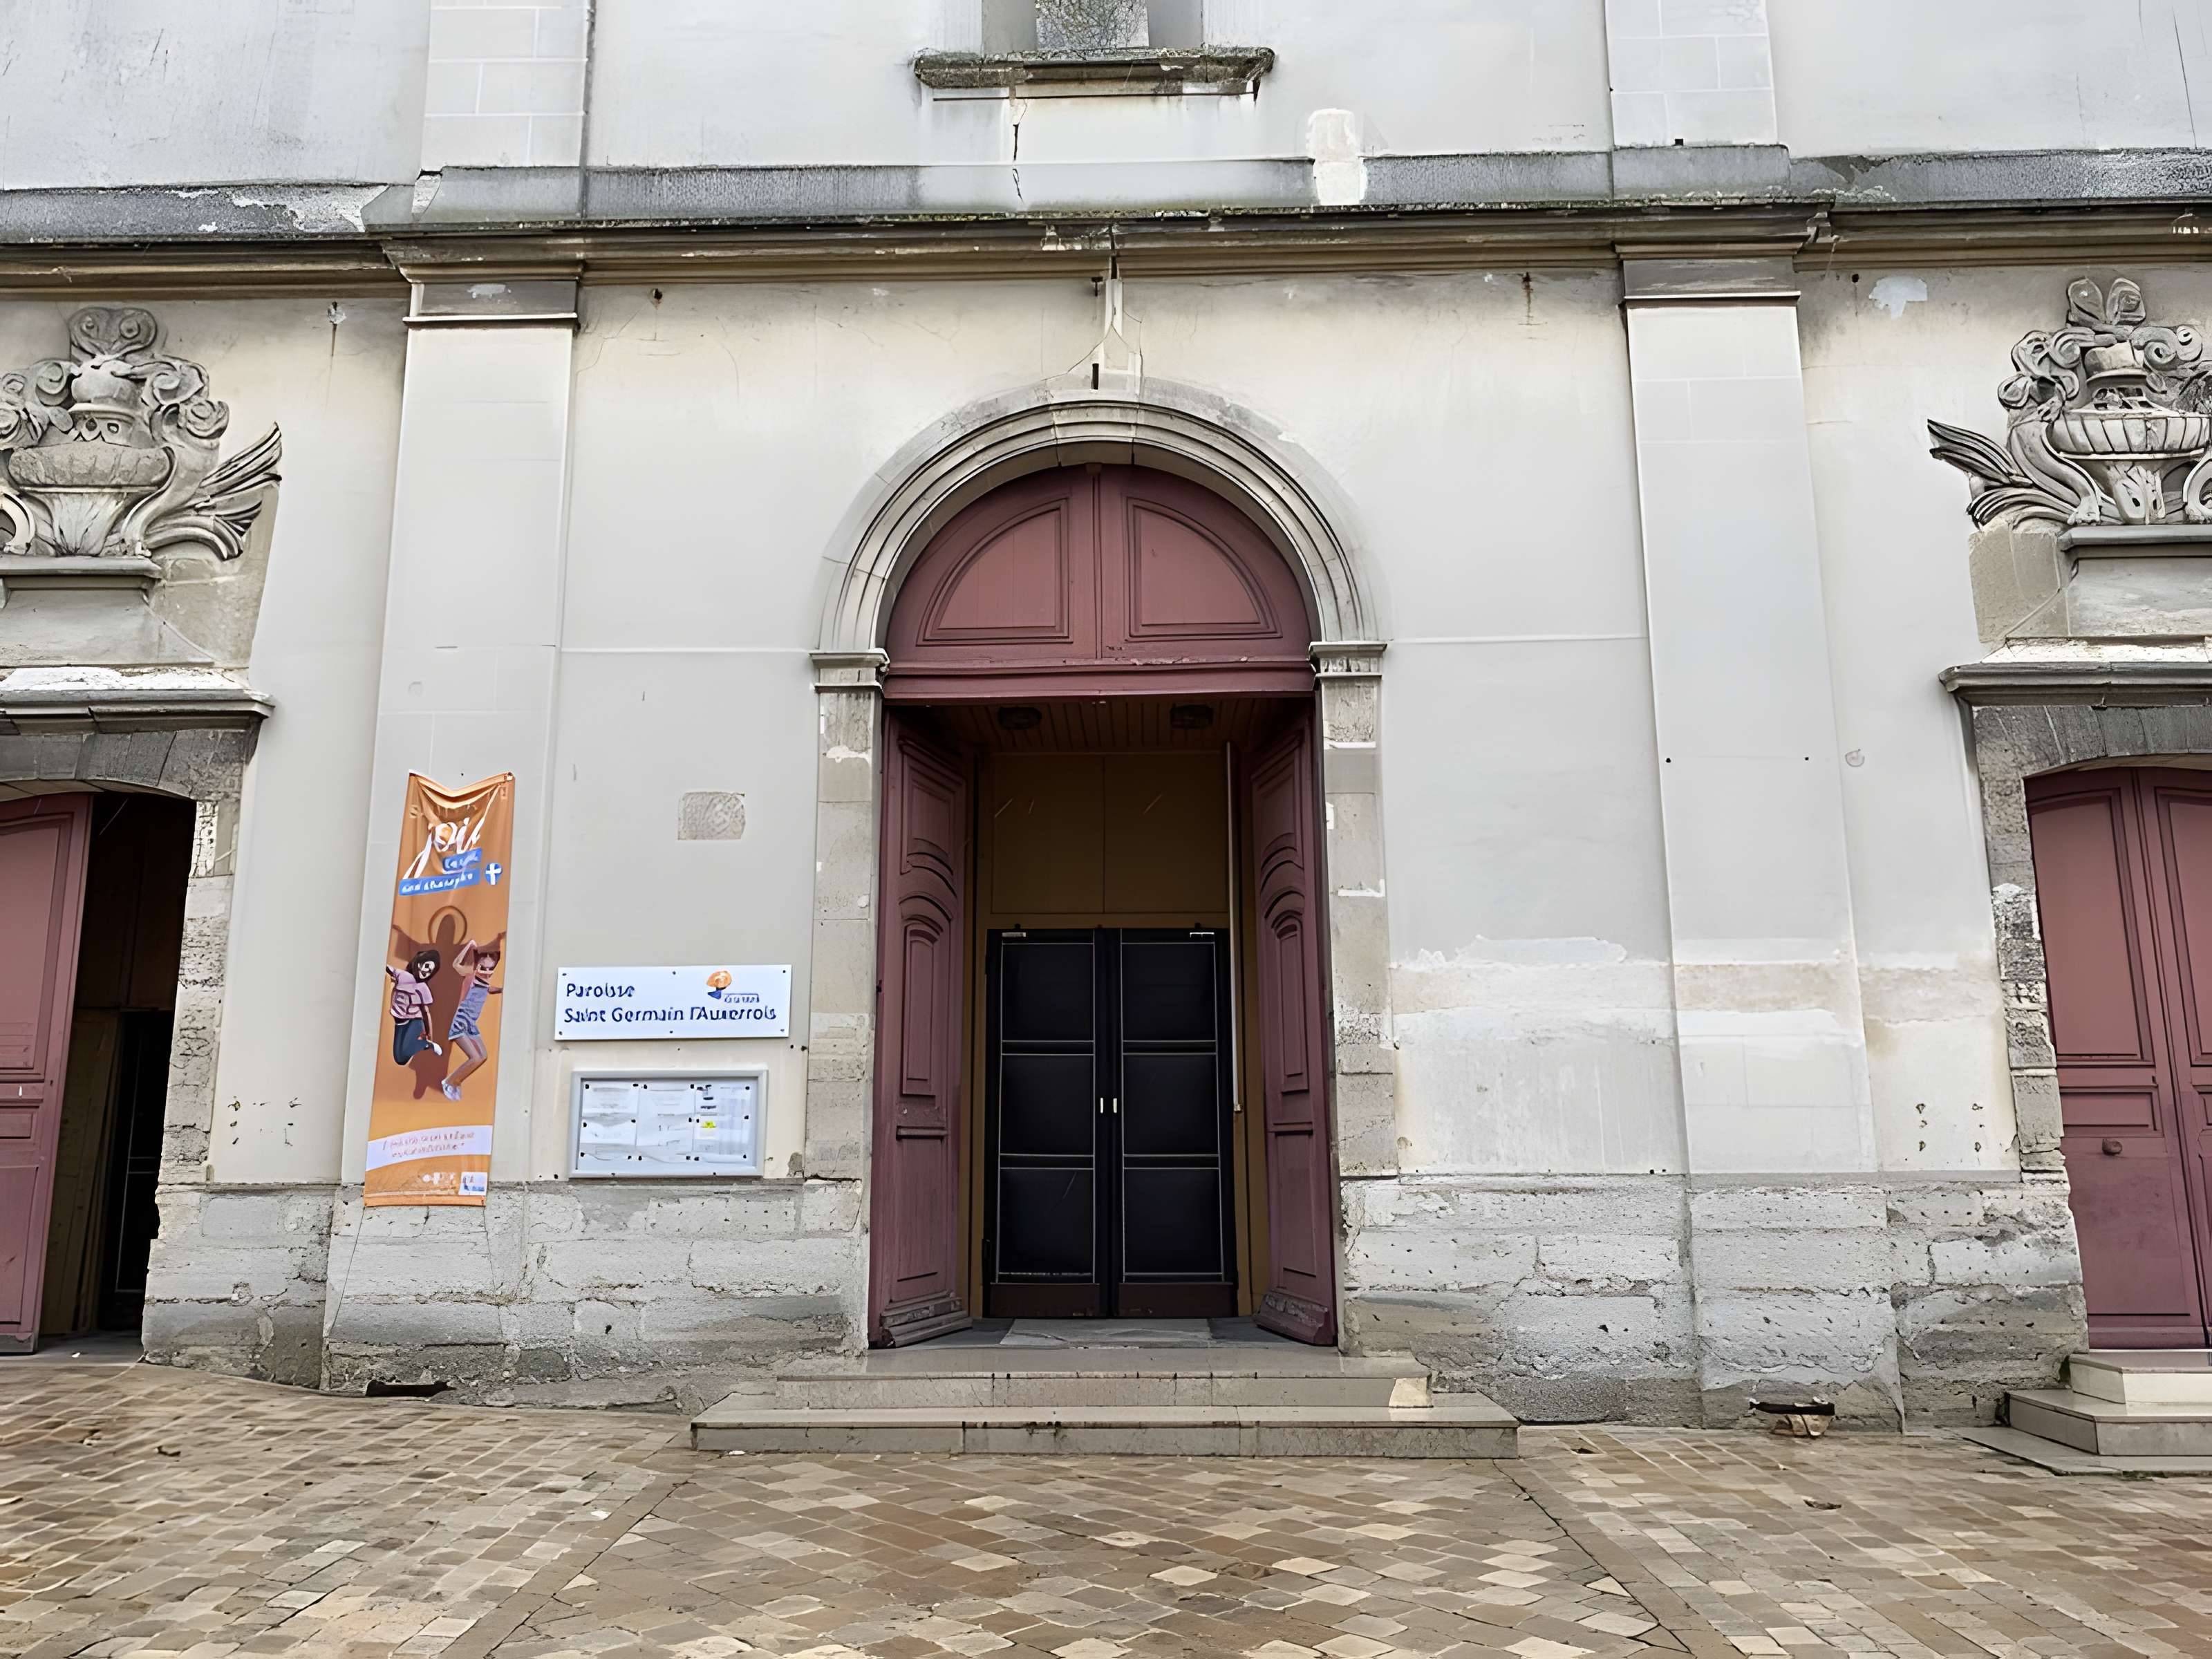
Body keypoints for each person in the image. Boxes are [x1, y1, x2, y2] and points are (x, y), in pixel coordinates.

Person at [441, 935, 504, 1100]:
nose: (487, 972)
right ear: (477, 966)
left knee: (482, 1056)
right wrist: (469, 946)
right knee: (475, 1057)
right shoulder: (471, 977)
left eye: (491, 969)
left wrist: (502, 989)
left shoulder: (484, 982)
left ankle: (455, 1081)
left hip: (471, 1025)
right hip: (461, 1023)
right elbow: (456, 965)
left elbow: (488, 989)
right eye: (483, 968)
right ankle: (449, 1081)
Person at [386, 947, 442, 1067]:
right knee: (400, 1059)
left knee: (403, 1055)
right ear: (419, 964)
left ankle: (426, 1044)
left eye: (430, 971)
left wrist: (430, 1035)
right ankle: (423, 1044)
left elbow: (426, 1012)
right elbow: (388, 968)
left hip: (414, 1022)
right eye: (427, 967)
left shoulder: (423, 988)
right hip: (400, 1021)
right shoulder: (402, 976)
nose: (427, 972)